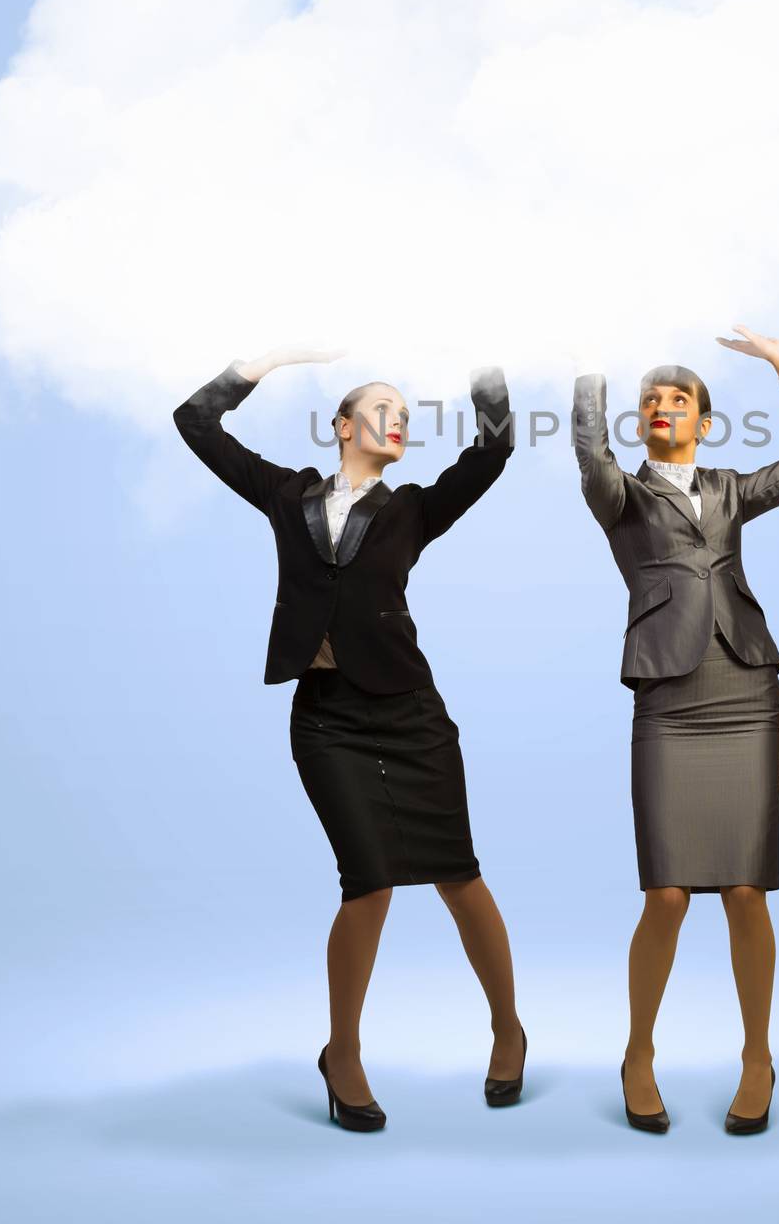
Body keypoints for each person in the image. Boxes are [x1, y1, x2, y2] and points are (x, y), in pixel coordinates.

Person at [173, 345, 527, 1130]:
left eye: (406, 417)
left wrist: (484, 356)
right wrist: (259, 362)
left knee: (457, 875)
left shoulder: (411, 509)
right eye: (382, 409)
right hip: (326, 717)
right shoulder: (284, 494)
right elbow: (195, 423)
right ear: (340, 425)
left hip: (412, 714)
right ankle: (343, 1053)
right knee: (366, 880)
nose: (397, 421)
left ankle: (508, 1027)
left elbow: (495, 445)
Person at [571, 323, 779, 1135]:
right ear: (638, 422)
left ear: (706, 421)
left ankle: (757, 1056)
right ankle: (639, 1053)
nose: (662, 406)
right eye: (650, 400)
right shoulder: (619, 494)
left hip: (744, 689)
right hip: (668, 695)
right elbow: (589, 456)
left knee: (743, 890)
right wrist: (589, 362)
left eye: (679, 399)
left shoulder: (730, 489)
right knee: (665, 893)